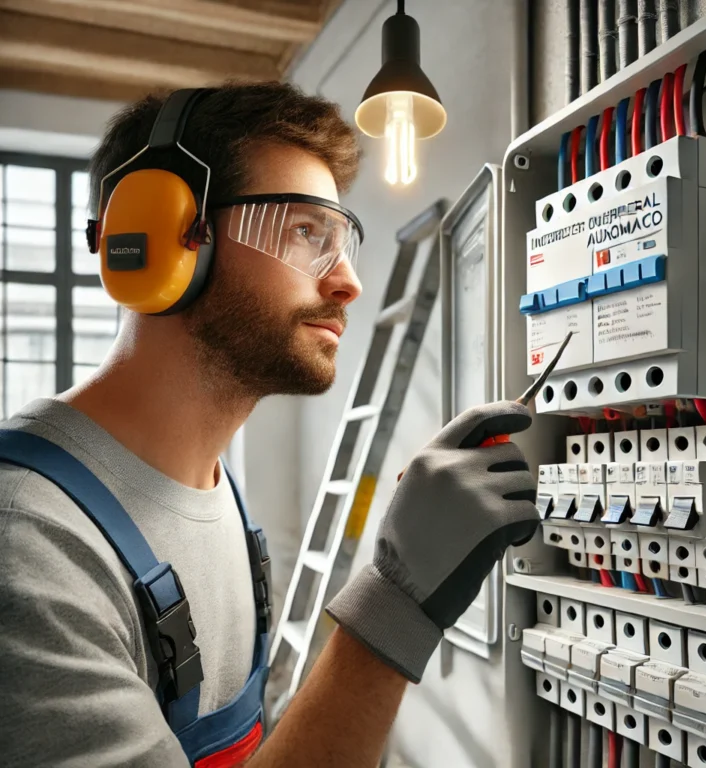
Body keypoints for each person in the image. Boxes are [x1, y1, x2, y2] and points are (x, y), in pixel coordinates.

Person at [0, 82, 540, 767]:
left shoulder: (219, 495)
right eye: (306, 233)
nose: (348, 282)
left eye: (341, 240)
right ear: (164, 237)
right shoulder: (31, 549)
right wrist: (395, 610)